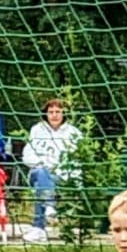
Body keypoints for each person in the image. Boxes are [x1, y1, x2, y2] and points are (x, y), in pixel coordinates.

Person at [20, 98, 81, 241]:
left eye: (58, 112)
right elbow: (27, 155)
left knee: (41, 185)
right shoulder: (36, 130)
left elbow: (76, 160)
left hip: (62, 176)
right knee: (42, 174)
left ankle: (38, 228)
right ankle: (49, 206)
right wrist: (43, 164)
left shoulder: (74, 133)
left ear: (64, 114)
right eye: (51, 112)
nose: (54, 115)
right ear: (45, 114)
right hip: (38, 170)